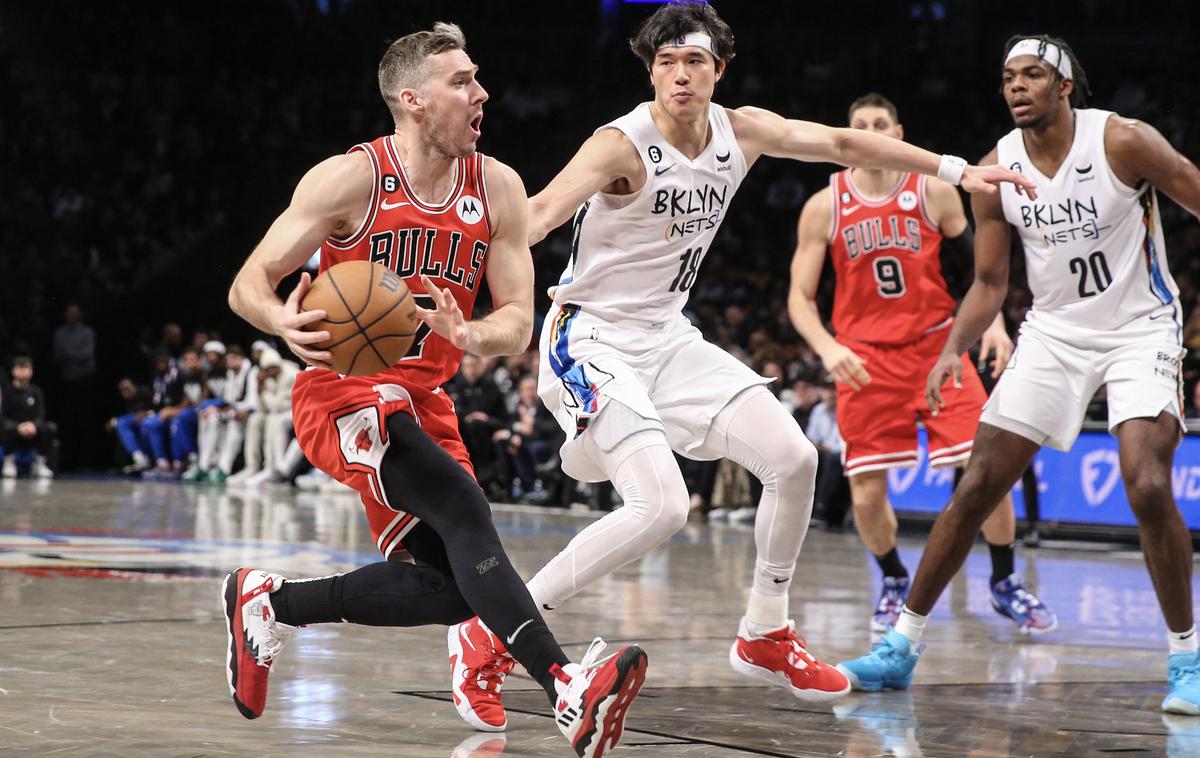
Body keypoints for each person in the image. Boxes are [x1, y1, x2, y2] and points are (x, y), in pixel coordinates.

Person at [446, 0, 1036, 731]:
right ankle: (491, 632)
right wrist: (461, 282)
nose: (680, 75)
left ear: (719, 70)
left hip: (667, 338)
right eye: (665, 63)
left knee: (794, 459)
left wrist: (955, 168)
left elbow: (844, 145)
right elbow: (533, 221)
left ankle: (764, 630)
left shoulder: (743, 129)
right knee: (661, 506)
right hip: (591, 336)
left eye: (694, 61)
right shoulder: (618, 144)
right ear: (652, 73)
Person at [222, 23, 646, 756]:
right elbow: (246, 284)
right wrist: (281, 320)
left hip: (427, 401)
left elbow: (516, 322)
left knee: (454, 587)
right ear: (413, 101)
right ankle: (567, 688)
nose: (481, 93)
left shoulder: (500, 188)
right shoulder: (349, 180)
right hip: (342, 389)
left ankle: (270, 601)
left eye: (477, 78)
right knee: (462, 506)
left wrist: (471, 334)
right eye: (462, 82)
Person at [837, 35, 1200, 716]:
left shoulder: (1124, 141)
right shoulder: (993, 168)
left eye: (1033, 74)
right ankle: (900, 648)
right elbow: (988, 283)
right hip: (1054, 333)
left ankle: (1187, 658)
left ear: (1065, 86)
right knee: (976, 484)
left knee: (1147, 483)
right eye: (1008, 77)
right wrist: (951, 350)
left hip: (1140, 326)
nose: (1017, 86)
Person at [788, 93, 1055, 634]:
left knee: (988, 469)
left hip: (938, 350)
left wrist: (995, 326)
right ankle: (891, 579)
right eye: (859, 126)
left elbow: (978, 276)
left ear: (899, 132)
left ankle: (1004, 580)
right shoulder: (825, 204)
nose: (870, 132)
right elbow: (799, 296)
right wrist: (828, 348)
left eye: (879, 124)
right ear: (848, 138)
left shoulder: (933, 191)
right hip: (864, 359)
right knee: (866, 488)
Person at [1, 357, 56, 479]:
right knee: (4, 427)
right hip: (13, 432)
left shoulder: (36, 392)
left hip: (32, 431)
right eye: (19, 367)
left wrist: (34, 425)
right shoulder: (7, 392)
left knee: (50, 427)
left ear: (31, 371)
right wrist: (17, 427)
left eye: (26, 367)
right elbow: (3, 415)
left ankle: (40, 463)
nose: (23, 371)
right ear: (13, 371)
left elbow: (41, 415)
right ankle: (8, 462)